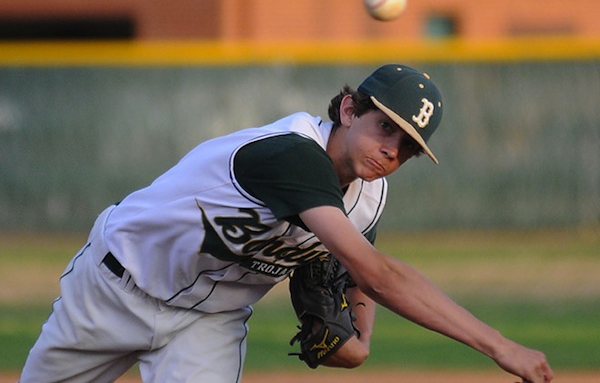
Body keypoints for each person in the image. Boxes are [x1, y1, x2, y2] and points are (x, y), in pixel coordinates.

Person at [20, 64, 553, 383]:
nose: (391, 150)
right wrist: (500, 346)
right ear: (348, 109)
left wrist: (359, 337)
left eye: (407, 147)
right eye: (383, 128)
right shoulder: (292, 154)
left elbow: (354, 274)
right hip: (115, 289)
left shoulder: (369, 194)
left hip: (207, 323)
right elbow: (378, 272)